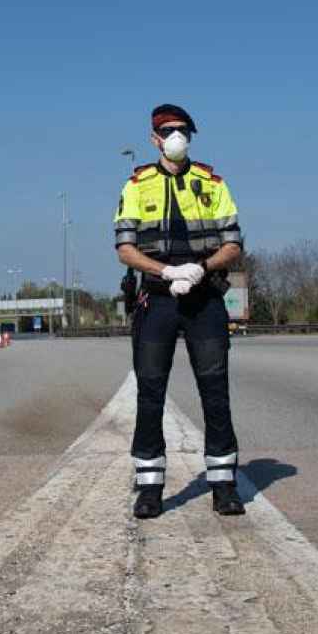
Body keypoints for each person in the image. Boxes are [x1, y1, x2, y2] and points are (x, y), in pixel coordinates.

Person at [114, 103, 246, 519]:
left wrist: (200, 268)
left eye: (184, 130)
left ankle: (223, 485)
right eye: (169, 131)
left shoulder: (213, 182)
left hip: (204, 296)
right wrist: (166, 270)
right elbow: (125, 249)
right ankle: (150, 487)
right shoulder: (137, 185)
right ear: (155, 138)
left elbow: (234, 244)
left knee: (215, 388)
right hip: (157, 298)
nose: (177, 137)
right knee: (150, 390)